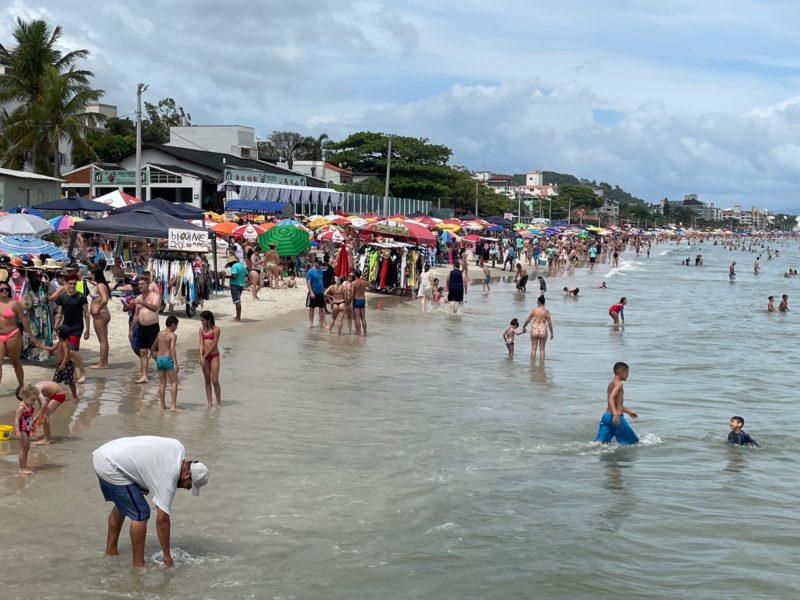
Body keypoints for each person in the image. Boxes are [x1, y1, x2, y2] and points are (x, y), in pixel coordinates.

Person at [92, 436, 209, 568]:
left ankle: (111, 552)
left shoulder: (178, 447)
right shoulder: (169, 478)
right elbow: (162, 521)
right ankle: (138, 566)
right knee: (141, 513)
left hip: (107, 452)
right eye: (189, 485)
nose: (187, 489)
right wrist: (167, 555)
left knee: (124, 503)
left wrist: (143, 481)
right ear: (186, 474)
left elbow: (150, 458)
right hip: (110, 466)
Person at [0, 279, 41, 393]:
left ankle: (21, 385)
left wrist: (31, 336)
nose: (4, 291)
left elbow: (23, 320)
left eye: (6, 289)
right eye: (2, 289)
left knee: (15, 362)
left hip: (12, 334)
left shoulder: (14, 303)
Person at [54, 274, 89, 384]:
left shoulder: (81, 297)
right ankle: (72, 375)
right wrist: (55, 329)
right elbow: (59, 314)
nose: (72, 286)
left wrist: (88, 329)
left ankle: (82, 372)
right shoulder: (62, 297)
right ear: (66, 284)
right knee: (66, 352)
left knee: (73, 351)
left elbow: (86, 314)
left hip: (77, 327)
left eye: (74, 284)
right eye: (70, 283)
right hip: (65, 327)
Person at [593, 362, 639, 446]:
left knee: (599, 443)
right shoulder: (619, 384)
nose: (628, 375)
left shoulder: (611, 383)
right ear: (622, 372)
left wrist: (628, 411)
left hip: (606, 417)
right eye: (627, 373)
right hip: (617, 419)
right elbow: (611, 397)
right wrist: (615, 415)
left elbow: (613, 402)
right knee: (634, 442)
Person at [129, 276, 161, 384]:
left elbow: (155, 308)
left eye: (142, 284)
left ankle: (168, 370)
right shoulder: (138, 298)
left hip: (152, 327)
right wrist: (131, 329)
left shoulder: (154, 296)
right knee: (143, 352)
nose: (140, 286)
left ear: (148, 285)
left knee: (155, 353)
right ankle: (144, 376)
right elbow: (136, 316)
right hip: (141, 328)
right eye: (139, 284)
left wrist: (142, 303)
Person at [153, 316, 180, 412]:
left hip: (160, 359)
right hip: (168, 359)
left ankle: (162, 405)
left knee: (162, 383)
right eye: (176, 325)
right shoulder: (173, 335)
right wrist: (176, 363)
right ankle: (173, 406)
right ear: (173, 325)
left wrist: (152, 354)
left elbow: (154, 346)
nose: (176, 328)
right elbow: (172, 348)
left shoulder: (160, 334)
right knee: (174, 382)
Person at [30, 380, 69, 446]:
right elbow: (42, 404)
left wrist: (38, 417)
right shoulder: (34, 389)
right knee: (42, 415)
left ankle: (46, 439)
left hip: (59, 395)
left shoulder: (37, 391)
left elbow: (44, 403)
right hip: (52, 394)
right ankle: (46, 435)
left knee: (44, 416)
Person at [47, 325, 78, 401]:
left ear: (59, 334)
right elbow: (51, 348)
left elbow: (67, 354)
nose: (56, 334)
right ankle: (52, 395)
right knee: (55, 381)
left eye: (57, 333)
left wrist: (63, 364)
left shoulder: (64, 343)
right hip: (60, 365)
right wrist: (40, 345)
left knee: (70, 382)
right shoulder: (59, 343)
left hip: (67, 365)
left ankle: (75, 396)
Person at [13, 385, 39, 474]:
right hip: (22, 430)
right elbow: (16, 419)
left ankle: (25, 465)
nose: (33, 402)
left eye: (35, 400)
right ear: (24, 397)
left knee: (27, 448)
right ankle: (21, 468)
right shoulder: (21, 407)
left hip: (27, 429)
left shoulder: (30, 405)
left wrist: (33, 427)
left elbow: (30, 417)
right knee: (23, 449)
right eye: (32, 400)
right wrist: (17, 431)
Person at [88, 268, 111, 369]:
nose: (91, 276)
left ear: (95, 275)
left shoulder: (100, 286)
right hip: (103, 314)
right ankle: (104, 361)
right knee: (103, 339)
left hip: (100, 314)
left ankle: (102, 363)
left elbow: (105, 300)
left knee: (102, 340)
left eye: (91, 275)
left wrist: (97, 309)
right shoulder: (101, 284)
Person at [198, 310, 222, 407]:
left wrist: (204, 356)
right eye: (201, 321)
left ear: (209, 320)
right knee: (207, 380)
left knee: (215, 380)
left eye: (203, 320)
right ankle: (209, 403)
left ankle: (219, 402)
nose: (202, 322)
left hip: (214, 356)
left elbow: (214, 344)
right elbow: (200, 344)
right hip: (204, 358)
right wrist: (201, 356)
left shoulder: (216, 329)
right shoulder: (201, 330)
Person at [523, 295, 554, 360]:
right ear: (544, 303)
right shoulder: (547, 312)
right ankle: (542, 366)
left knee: (533, 349)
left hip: (535, 329)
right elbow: (549, 323)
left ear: (538, 302)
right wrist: (552, 333)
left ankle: (532, 364)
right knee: (542, 350)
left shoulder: (534, 310)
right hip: (543, 330)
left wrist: (524, 327)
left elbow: (528, 319)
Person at [306, 258, 326, 328]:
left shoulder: (320, 271)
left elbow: (321, 281)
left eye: (320, 264)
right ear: (315, 262)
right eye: (319, 263)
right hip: (313, 292)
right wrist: (311, 292)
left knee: (321, 308)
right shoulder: (310, 271)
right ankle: (311, 323)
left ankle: (322, 323)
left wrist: (324, 291)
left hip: (320, 292)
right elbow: (308, 282)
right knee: (312, 308)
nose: (320, 265)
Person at [351, 269, 368, 336]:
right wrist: (365, 280)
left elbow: (352, 294)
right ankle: (365, 333)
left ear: (355, 274)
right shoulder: (364, 282)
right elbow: (371, 286)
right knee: (363, 318)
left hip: (356, 300)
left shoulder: (353, 283)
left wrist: (349, 301)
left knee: (357, 317)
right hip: (362, 300)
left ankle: (359, 334)